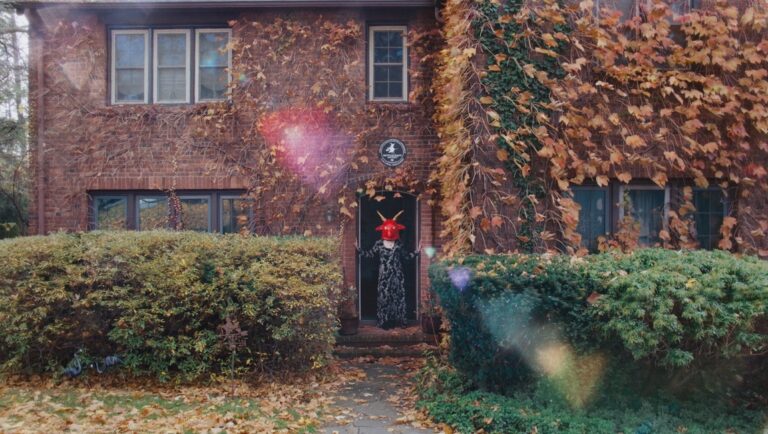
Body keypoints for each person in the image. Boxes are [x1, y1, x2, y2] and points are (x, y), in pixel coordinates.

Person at [357, 210, 420, 329]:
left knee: (398, 297)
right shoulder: (379, 244)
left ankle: (401, 321)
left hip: (397, 274)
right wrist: (359, 249)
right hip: (384, 275)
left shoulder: (398, 243)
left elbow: (406, 256)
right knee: (384, 297)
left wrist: (417, 251)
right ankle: (384, 322)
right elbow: (370, 254)